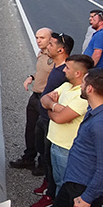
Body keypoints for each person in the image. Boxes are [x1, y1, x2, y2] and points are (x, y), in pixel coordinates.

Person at [39, 55, 93, 198]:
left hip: (66, 148)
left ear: (77, 73)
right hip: (54, 141)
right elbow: (44, 99)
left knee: (64, 185)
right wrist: (56, 107)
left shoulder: (83, 96)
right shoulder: (66, 86)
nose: (64, 70)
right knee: (56, 180)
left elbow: (59, 118)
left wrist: (51, 109)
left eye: (67, 68)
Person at [32, 32, 74, 207]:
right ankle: (48, 184)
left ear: (61, 49)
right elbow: (46, 97)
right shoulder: (56, 68)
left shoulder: (65, 74)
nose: (46, 46)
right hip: (44, 118)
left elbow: (56, 103)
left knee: (52, 162)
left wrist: (50, 107)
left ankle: (51, 195)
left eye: (50, 45)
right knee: (44, 155)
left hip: (51, 122)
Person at [53, 68, 103, 207]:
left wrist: (87, 198)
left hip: (84, 190)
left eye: (83, 83)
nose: (80, 85)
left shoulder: (99, 124)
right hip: (73, 182)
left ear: (90, 89)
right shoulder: (93, 111)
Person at [9, 28, 53, 175]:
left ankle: (42, 163)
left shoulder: (55, 58)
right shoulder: (41, 54)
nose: (38, 41)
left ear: (51, 39)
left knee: (43, 133)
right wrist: (32, 77)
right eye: (37, 37)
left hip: (45, 99)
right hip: (35, 96)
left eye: (42, 38)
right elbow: (41, 72)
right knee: (30, 129)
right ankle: (29, 158)